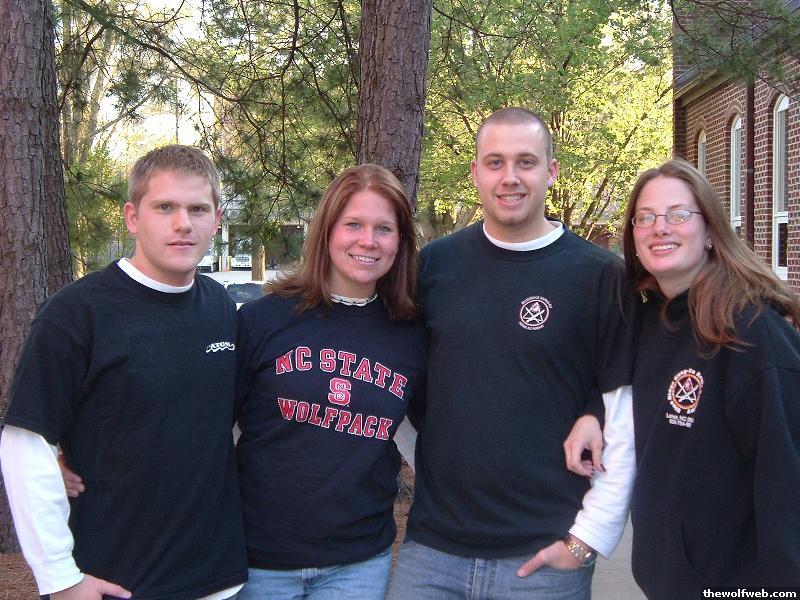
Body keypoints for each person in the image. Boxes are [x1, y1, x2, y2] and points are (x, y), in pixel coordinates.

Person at [386, 107, 637, 600]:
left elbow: (622, 411)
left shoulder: (599, 276)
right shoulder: (434, 266)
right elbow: (403, 383)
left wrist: (585, 543)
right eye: (495, 162)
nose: (510, 177)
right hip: (432, 552)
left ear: (551, 170)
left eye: (526, 161)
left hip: (543, 558)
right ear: (476, 172)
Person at [0, 145, 247, 599]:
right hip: (113, 583)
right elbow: (26, 443)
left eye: (197, 209)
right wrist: (61, 579)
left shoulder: (220, 307)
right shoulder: (75, 314)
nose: (182, 223)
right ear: (133, 217)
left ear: (216, 220)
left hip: (219, 579)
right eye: (164, 207)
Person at [569, 158, 800, 597]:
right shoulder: (648, 321)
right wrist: (591, 411)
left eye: (678, 215)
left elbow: (788, 485)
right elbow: (609, 376)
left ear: (711, 231)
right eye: (646, 217)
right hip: (670, 582)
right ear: (633, 238)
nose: (660, 228)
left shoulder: (751, 334)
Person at [234, 164, 427, 599]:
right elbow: (207, 427)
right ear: (326, 231)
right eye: (353, 224)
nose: (367, 240)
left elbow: (443, 429)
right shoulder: (263, 320)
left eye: (384, 228)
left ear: (400, 241)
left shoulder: (411, 334)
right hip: (259, 560)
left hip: (358, 563)